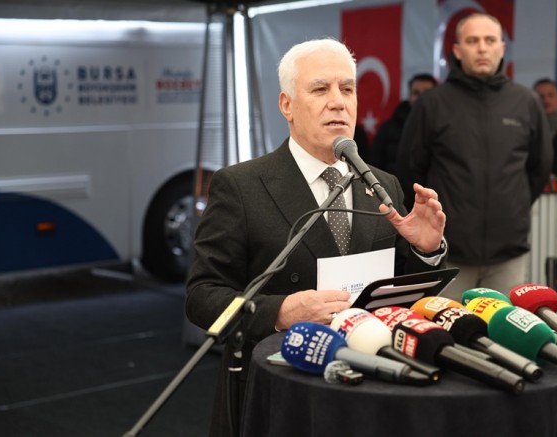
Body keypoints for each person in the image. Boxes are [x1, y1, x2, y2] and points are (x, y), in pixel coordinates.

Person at [186, 38, 447, 437]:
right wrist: (278, 311)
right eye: (320, 89)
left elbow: (401, 292)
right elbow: (202, 297)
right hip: (285, 392)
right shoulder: (241, 186)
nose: (338, 102)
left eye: (347, 89)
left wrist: (425, 251)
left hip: (369, 388)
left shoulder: (384, 185)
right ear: (287, 105)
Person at [396, 13, 552, 302]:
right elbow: (410, 171)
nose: (482, 48)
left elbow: (539, 168)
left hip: (508, 255)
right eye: (473, 41)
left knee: (504, 330)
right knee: (449, 330)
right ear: (457, 50)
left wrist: (512, 209)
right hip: (449, 256)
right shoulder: (432, 104)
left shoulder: (526, 102)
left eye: (490, 40)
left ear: (502, 48)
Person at [370, 73, 438, 179]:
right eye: (416, 93)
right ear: (409, 96)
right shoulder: (387, 129)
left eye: (426, 93)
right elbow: (374, 169)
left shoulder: (443, 129)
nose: (421, 98)